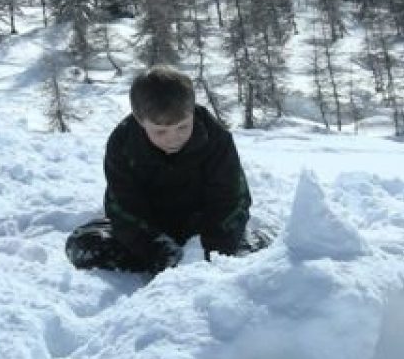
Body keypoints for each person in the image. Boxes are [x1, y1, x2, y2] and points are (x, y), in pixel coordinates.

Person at [65, 65, 266, 275]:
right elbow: (122, 208)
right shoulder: (122, 143)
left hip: (203, 226)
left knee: (254, 252)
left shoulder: (216, 138)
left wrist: (210, 249)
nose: (173, 138)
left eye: (183, 127)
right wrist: (160, 252)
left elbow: (232, 199)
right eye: (160, 131)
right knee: (82, 245)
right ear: (140, 120)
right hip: (152, 229)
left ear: (192, 113)